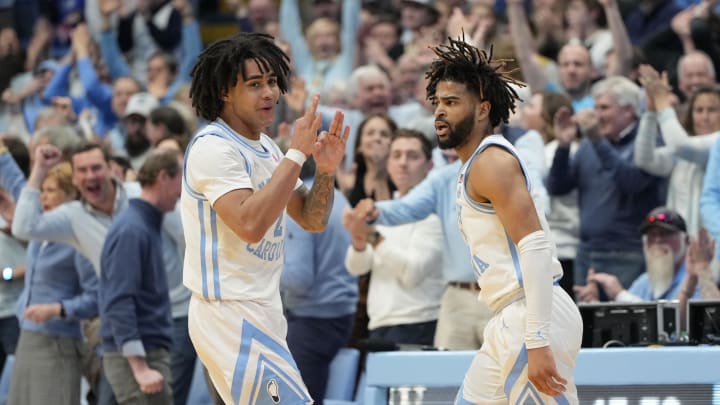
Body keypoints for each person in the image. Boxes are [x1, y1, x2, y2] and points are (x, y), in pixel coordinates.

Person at [181, 32, 348, 405]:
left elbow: (312, 219)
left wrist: (324, 171)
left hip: (265, 308)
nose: (270, 93)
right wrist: (297, 154)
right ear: (225, 91)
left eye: (272, 81)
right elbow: (250, 225)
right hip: (227, 312)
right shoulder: (214, 147)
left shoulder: (267, 148)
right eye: (255, 85)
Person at [424, 37, 582, 402]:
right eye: (437, 103)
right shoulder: (474, 165)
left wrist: (537, 338)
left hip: (532, 312)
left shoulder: (491, 162)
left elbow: (536, 245)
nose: (439, 112)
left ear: (482, 109)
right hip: (509, 316)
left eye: (451, 103)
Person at [344, 129, 444, 346]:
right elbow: (357, 268)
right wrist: (359, 240)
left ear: (429, 166)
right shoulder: (383, 211)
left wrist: (371, 236)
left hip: (419, 322)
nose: (403, 163)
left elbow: (411, 273)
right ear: (388, 163)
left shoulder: (433, 216)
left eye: (413, 156)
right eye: (396, 155)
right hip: (380, 321)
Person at [99, 149, 183, 404]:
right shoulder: (132, 229)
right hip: (139, 357)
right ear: (163, 178)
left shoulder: (143, 224)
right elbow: (119, 301)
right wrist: (139, 367)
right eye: (181, 179)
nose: (182, 191)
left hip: (146, 350)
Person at [281, 156, 358, 405]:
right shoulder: (333, 196)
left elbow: (299, 279)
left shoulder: (301, 203)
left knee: (297, 400)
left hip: (314, 318)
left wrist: (260, 269)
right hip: (338, 314)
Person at [586, 207, 702, 302]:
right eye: (652, 235)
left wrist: (620, 295)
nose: (658, 240)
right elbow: (630, 321)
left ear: (686, 240)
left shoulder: (695, 278)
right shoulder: (644, 281)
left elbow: (681, 324)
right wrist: (593, 303)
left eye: (665, 234)